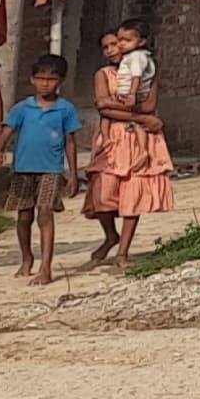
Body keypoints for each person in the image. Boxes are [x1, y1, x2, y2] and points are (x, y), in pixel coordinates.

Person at [83, 18, 172, 270]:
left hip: (137, 140)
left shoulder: (145, 70)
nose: (113, 49)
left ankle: (122, 251)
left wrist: (121, 108)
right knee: (103, 193)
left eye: (118, 43)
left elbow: (149, 104)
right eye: (107, 47)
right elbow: (102, 106)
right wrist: (142, 118)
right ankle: (111, 235)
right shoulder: (103, 75)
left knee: (133, 194)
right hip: (112, 139)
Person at [3, 56, 82, 284]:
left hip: (51, 170)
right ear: (32, 80)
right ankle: (27, 257)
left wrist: (73, 174)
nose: (45, 84)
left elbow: (70, 142)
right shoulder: (22, 108)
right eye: (40, 79)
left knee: (45, 212)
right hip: (22, 170)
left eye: (51, 79)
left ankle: (45, 267)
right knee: (24, 216)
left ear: (61, 81)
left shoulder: (65, 109)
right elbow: (7, 131)